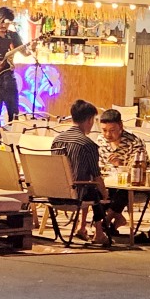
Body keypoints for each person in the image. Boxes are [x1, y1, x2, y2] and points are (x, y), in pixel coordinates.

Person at [51, 100, 112, 245]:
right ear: (90, 120)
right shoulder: (88, 145)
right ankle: (98, 232)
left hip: (54, 194)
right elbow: (97, 176)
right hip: (75, 196)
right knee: (98, 192)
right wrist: (105, 194)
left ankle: (84, 228)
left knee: (90, 188)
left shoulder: (57, 140)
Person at [97, 108, 146, 233]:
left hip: (132, 184)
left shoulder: (134, 142)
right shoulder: (101, 141)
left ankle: (105, 222)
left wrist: (120, 165)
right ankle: (116, 218)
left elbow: (139, 169)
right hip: (108, 181)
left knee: (122, 191)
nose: (107, 135)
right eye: (104, 130)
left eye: (112, 130)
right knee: (96, 190)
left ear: (121, 126)